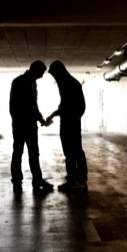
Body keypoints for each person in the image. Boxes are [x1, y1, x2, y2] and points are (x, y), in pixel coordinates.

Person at [9, 60, 54, 192]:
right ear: (34, 69)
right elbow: (13, 106)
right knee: (24, 153)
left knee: (27, 153)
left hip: (28, 125)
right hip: (22, 125)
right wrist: (17, 123)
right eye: (41, 72)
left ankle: (25, 181)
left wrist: (41, 120)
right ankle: (26, 180)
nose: (42, 76)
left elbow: (33, 106)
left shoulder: (31, 83)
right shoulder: (19, 82)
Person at [45, 61, 88, 192]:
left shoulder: (69, 84)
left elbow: (73, 107)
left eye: (54, 75)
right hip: (70, 122)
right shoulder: (68, 83)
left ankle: (77, 181)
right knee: (73, 152)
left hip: (70, 124)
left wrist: (67, 117)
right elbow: (66, 106)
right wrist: (56, 114)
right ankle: (76, 179)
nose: (54, 78)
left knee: (73, 152)